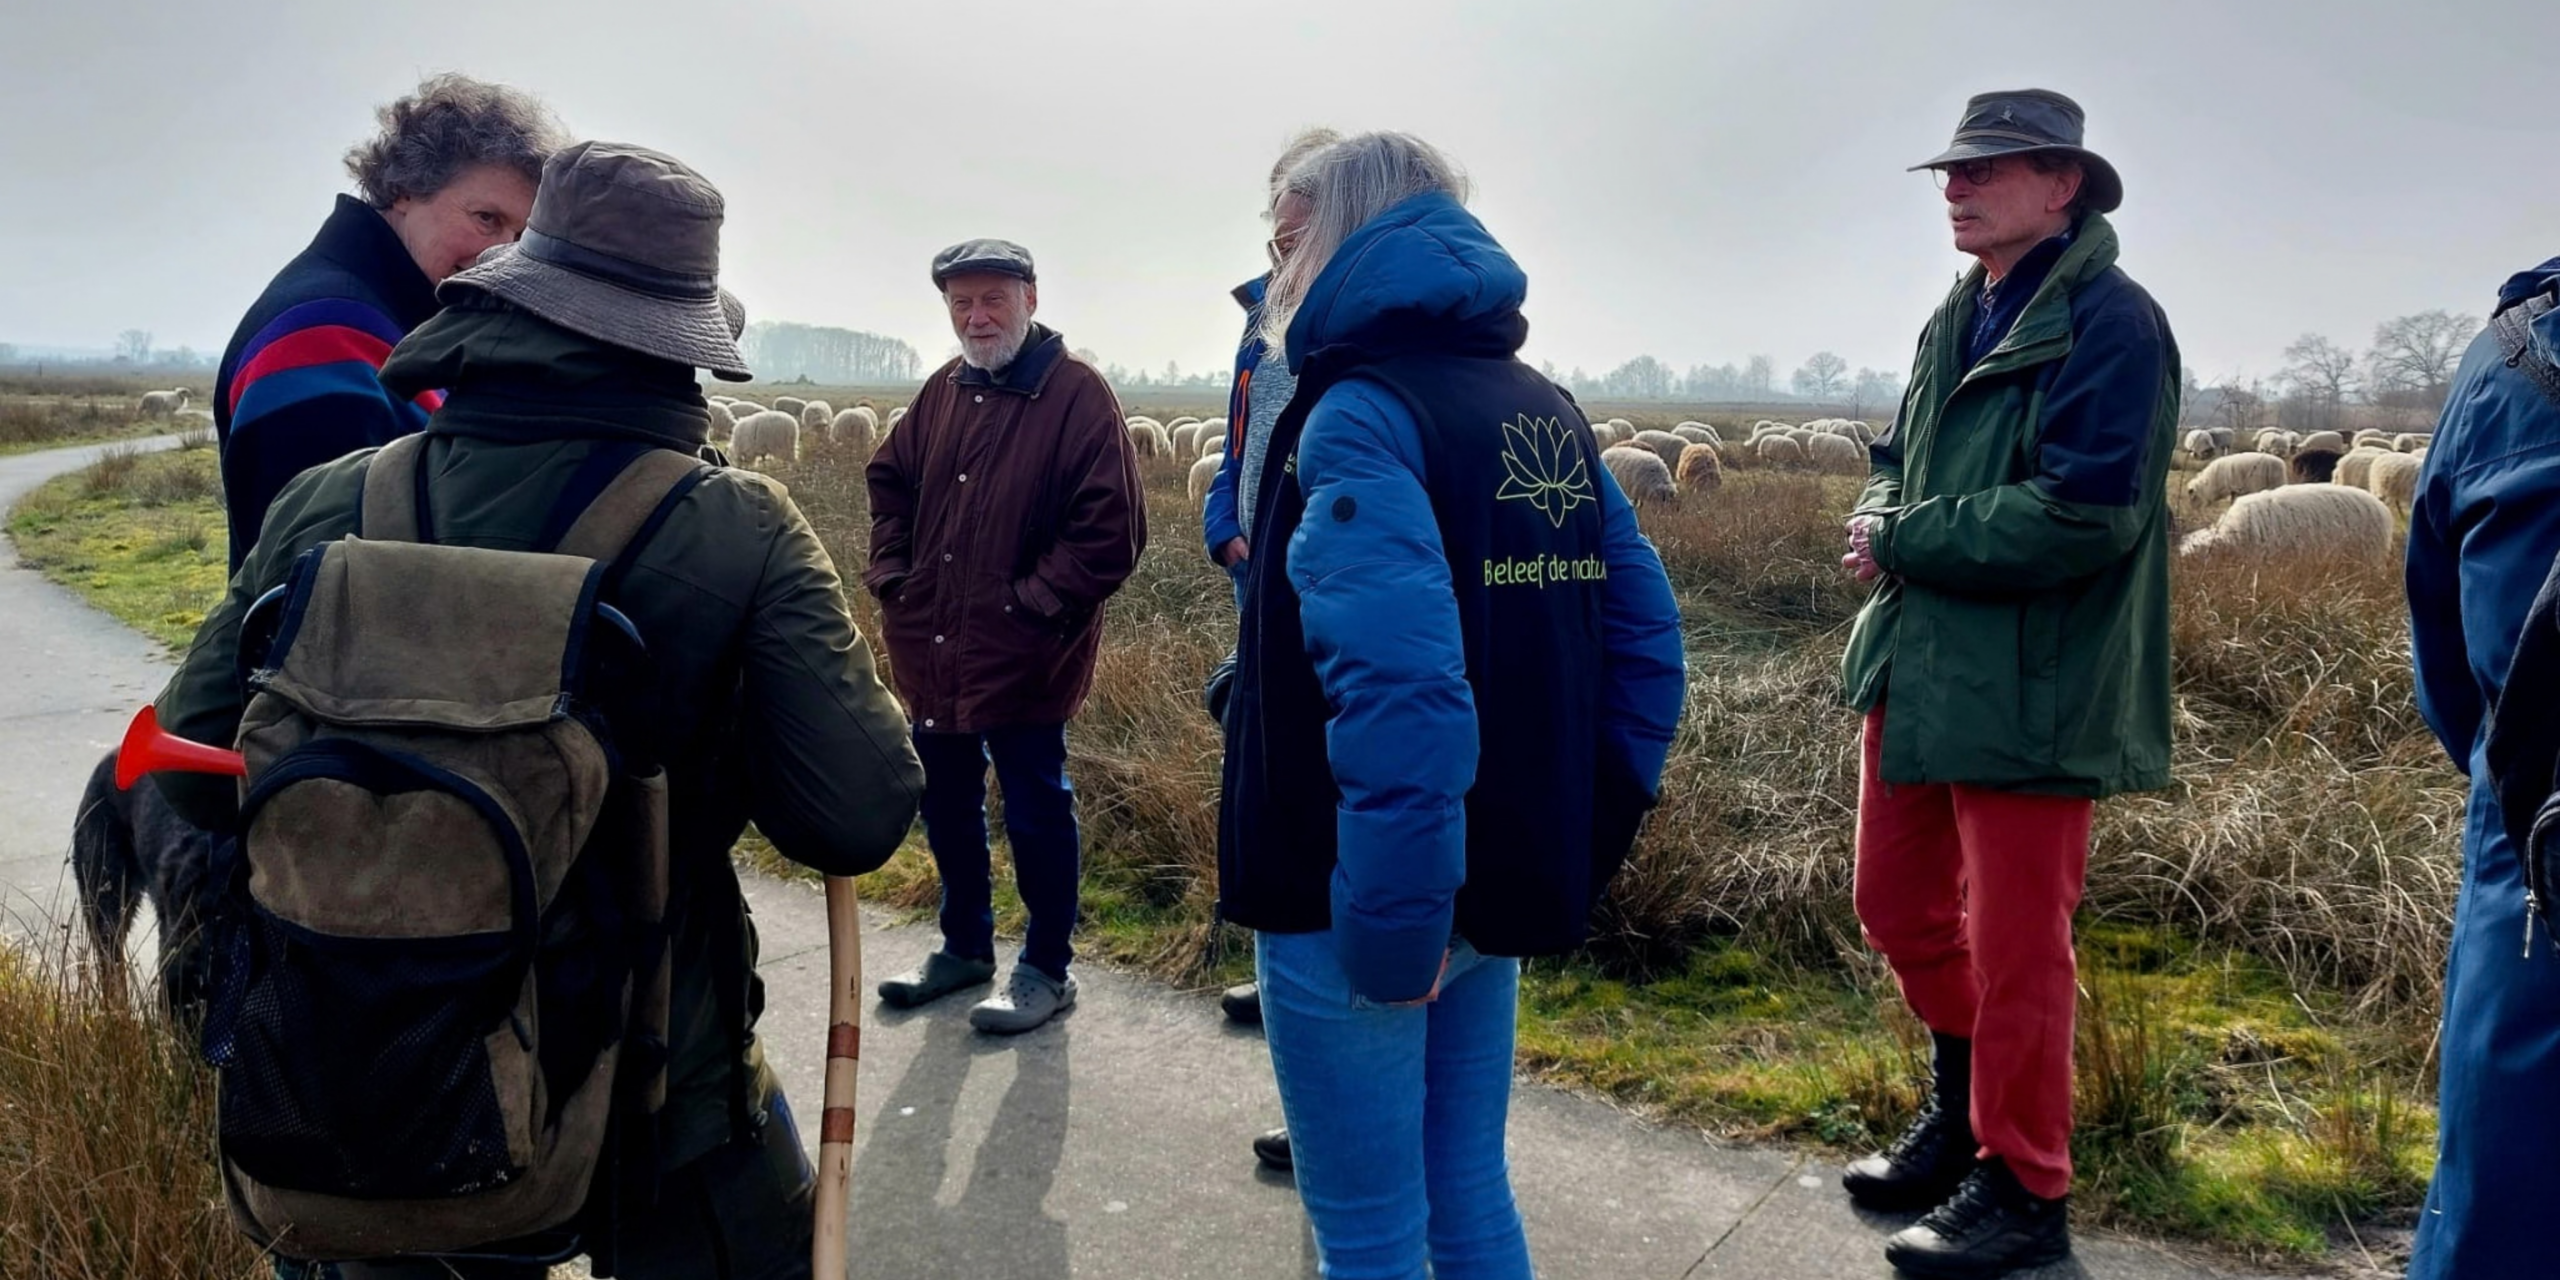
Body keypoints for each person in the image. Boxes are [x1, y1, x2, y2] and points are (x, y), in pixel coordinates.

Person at [153, 141, 925, 1279]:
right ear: (681, 345)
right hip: (656, 1100)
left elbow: (185, 769)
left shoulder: (334, 499)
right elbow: (855, 815)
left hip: (362, 1076)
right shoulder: (736, 527)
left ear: (517, 294)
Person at [1215, 131, 1686, 1280]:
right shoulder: (1543, 406)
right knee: (1469, 1195)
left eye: (1286, 248)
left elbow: (1400, 695)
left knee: (1369, 1231)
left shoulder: (1360, 416)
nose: (1272, 281)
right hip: (1490, 869)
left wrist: (1397, 924)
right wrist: (1576, 837)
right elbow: (1648, 647)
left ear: (1335, 243)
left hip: (1364, 892)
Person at [1835, 89, 2178, 1278]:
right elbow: (1900, 459)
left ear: (2062, 185)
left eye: (1985, 170)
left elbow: (2087, 510)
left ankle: (2026, 1187)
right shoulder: (1959, 312)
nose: (1955, 188)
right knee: (1895, 903)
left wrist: (1910, 537)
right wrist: (1881, 511)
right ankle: (1965, 1120)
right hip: (1921, 663)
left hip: (2035, 682)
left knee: (2023, 943)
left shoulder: (2112, 321)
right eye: (1950, 171)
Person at [865, 239, 1148, 1035]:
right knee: (946, 798)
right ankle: (964, 947)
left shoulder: (1077, 395)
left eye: (992, 299)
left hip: (1025, 653)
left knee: (1034, 803)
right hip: (933, 643)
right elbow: (888, 484)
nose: (976, 317)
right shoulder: (944, 391)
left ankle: (1047, 968)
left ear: (1029, 295)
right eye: (961, 303)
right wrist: (893, 576)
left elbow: (1112, 530)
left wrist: (1030, 608)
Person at [212, 73, 567, 572]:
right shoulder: (325, 336)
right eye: (486, 218)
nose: (503, 254)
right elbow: (320, 577)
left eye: (522, 234)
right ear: (403, 189)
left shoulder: (404, 320)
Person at [2403, 255, 2560, 1280]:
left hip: (2537, 856)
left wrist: (2511, 790)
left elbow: (2446, 652)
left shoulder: (2512, 360)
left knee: (2503, 1204)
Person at [1201, 125, 1339, 1176]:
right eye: (1275, 224)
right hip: (1261, 592)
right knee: (1269, 802)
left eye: (1299, 226)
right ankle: (1287, 967)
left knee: (1327, 811)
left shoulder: (1349, 325)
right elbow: (1238, 439)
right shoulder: (1260, 320)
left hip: (1326, 600)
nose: (1280, 245)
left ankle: (1331, 1088)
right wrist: (1225, 523)